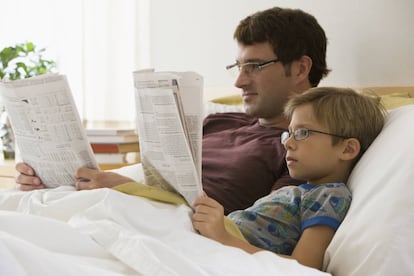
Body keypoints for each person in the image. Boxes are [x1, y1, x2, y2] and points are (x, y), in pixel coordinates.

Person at [14, 7, 330, 214]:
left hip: (166, 224)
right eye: (237, 66)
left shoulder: (302, 147)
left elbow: (264, 226)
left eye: (254, 66)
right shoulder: (217, 121)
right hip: (122, 201)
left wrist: (129, 191)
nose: (238, 81)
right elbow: (148, 176)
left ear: (301, 68)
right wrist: (51, 182)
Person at [192, 87, 386, 270]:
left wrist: (224, 238)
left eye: (303, 133)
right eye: (290, 133)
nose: (288, 143)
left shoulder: (330, 196)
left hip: (224, 248)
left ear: (347, 149)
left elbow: (304, 266)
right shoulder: (298, 191)